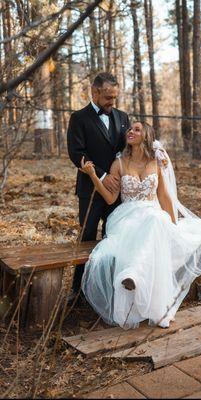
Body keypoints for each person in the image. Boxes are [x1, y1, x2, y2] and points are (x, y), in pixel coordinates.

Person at [80, 121, 201, 329]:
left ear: (147, 136)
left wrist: (174, 226)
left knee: (157, 220)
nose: (130, 132)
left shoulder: (156, 163)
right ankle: (141, 282)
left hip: (153, 216)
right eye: (129, 129)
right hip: (127, 218)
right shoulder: (119, 163)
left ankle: (134, 275)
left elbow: (165, 198)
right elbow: (109, 198)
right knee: (154, 221)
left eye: (136, 129)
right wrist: (93, 176)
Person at [67, 72, 130, 300]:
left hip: (117, 192)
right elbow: (76, 154)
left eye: (114, 97)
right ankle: (77, 289)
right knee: (87, 237)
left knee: (113, 237)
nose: (112, 102)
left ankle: (106, 286)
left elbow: (128, 149)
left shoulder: (123, 117)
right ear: (94, 92)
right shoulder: (79, 118)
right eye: (107, 97)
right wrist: (102, 175)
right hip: (90, 190)